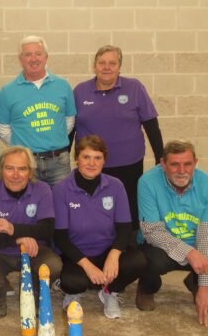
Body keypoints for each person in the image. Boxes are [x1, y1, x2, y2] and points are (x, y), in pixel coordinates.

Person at [136, 139, 208, 326]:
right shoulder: (147, 182)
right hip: (162, 243)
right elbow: (152, 231)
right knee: (146, 260)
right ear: (163, 164)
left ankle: (195, 283)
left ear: (195, 163)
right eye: (175, 164)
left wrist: (206, 286)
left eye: (187, 164)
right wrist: (189, 252)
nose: (182, 170)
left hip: (198, 243)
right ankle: (147, 289)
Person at [53, 135, 147, 319]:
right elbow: (61, 237)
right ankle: (73, 295)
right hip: (76, 255)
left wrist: (114, 255)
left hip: (106, 250)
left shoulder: (116, 186)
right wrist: (88, 267)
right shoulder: (61, 189)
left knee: (139, 261)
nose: (91, 163)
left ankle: (109, 291)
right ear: (76, 158)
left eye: (97, 158)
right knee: (72, 282)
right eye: (86, 157)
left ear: (104, 161)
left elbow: (124, 227)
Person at [74, 45, 164, 229]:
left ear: (119, 66)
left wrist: (160, 157)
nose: (106, 67)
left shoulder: (134, 87)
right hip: (92, 166)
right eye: (102, 63)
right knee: (95, 210)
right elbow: (69, 128)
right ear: (94, 66)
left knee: (128, 210)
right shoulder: (80, 91)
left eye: (112, 63)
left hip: (128, 164)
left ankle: (128, 246)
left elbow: (151, 125)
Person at [0, 146, 61, 318]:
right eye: (10, 168)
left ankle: (37, 292)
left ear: (30, 171)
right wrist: (17, 240)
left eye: (22, 169)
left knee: (54, 266)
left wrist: (13, 229)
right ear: (1, 170)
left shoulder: (42, 190)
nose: (15, 175)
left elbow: (47, 230)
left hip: (35, 250)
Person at [0, 35, 76, 186]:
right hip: (26, 164)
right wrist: (23, 146)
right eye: (28, 54)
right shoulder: (8, 91)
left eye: (38, 54)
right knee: (28, 207)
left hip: (59, 162)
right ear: (21, 59)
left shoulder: (63, 86)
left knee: (61, 206)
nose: (33, 59)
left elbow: (69, 121)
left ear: (46, 57)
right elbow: (3, 128)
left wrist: (52, 138)